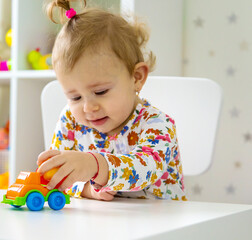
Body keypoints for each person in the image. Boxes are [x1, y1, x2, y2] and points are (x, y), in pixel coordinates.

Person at [37, 0, 187, 201]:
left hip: (162, 225)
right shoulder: (70, 121)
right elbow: (61, 178)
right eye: (75, 97)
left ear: (136, 78)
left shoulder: (158, 125)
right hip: (102, 225)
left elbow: (143, 170)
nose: (89, 107)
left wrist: (94, 165)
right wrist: (86, 190)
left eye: (100, 91)